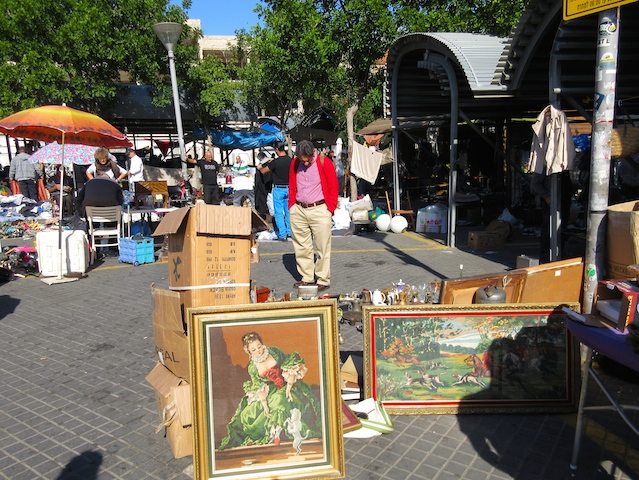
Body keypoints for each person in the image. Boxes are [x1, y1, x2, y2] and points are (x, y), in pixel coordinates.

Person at [218, 332, 322, 450]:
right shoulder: (252, 367)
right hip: (270, 390)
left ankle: (284, 436)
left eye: (259, 346)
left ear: (262, 344)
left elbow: (289, 364)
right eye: (253, 349)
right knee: (250, 413)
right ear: (249, 352)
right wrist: (265, 405)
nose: (258, 350)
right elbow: (259, 386)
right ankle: (273, 436)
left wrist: (288, 388)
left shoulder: (274, 352)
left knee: (280, 401)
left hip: (287, 384)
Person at [288, 140, 339, 291]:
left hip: (319, 208)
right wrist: (292, 205)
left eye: (308, 160)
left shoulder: (324, 162)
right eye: (302, 160)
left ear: (313, 154)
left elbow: (333, 186)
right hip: (299, 209)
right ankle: (307, 277)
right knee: (302, 246)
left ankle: (323, 279)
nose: (305, 163)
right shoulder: (295, 163)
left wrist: (329, 209)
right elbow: (292, 184)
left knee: (323, 246)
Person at [257, 141, 292, 241]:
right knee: (288, 211)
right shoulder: (290, 160)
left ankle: (282, 234)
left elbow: (264, 171)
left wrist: (260, 167)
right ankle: (289, 232)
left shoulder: (275, 162)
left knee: (278, 212)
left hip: (278, 188)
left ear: (276, 149)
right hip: (289, 188)